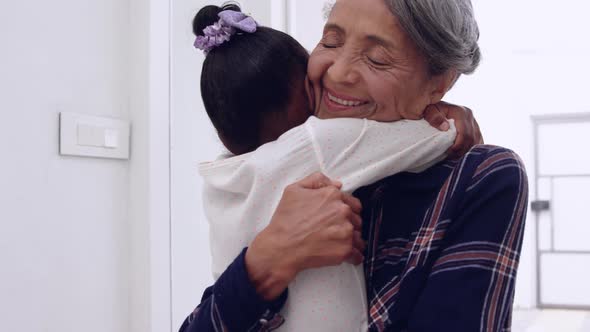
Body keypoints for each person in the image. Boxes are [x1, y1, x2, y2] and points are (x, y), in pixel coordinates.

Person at [180, 0, 527, 331]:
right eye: (331, 41)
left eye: (377, 59)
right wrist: (266, 262)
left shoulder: (478, 180)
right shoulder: (290, 150)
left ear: (440, 82)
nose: (338, 73)